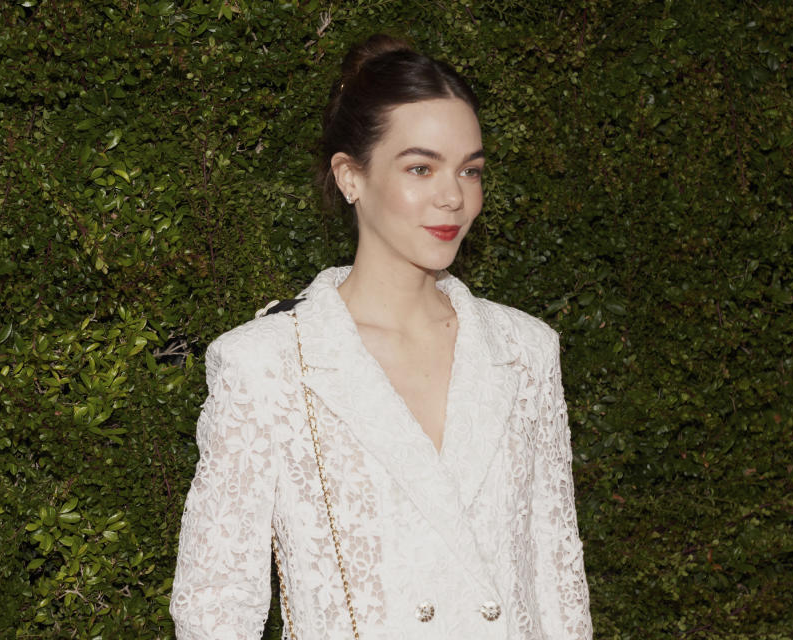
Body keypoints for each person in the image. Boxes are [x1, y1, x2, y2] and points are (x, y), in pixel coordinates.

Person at [170, 34, 593, 640]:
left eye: (469, 170)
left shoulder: (526, 352)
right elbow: (215, 611)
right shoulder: (266, 365)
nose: (454, 197)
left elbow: (558, 585)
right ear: (351, 177)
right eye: (420, 167)